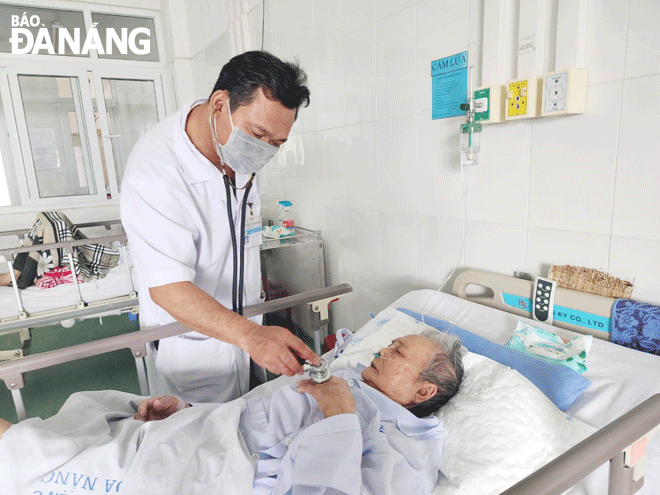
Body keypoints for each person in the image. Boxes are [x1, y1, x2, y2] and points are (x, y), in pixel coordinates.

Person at [0, 330, 465, 495]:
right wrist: (187, 409)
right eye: (389, 342)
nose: (382, 349)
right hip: (199, 429)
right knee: (96, 407)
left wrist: (339, 420)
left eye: (398, 351)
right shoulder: (346, 376)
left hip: (217, 469)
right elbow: (257, 411)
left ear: (423, 389)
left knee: (41, 450)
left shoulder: (405, 451)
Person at [120, 51, 317, 404]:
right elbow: (168, 289)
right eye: (257, 135)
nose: (263, 151)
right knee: (201, 442)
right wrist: (251, 336)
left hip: (246, 330)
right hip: (194, 347)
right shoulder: (155, 173)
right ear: (219, 104)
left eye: (276, 144)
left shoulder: (236, 152)